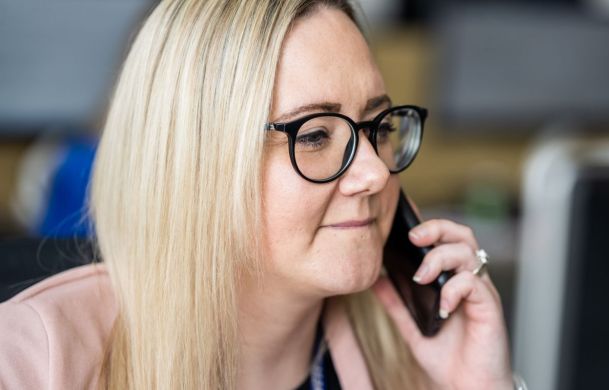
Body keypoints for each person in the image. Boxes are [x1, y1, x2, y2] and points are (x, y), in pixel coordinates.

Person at [0, 1, 521, 389]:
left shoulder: (411, 353)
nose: (374, 175)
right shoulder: (36, 362)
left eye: (377, 127)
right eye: (316, 136)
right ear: (196, 162)